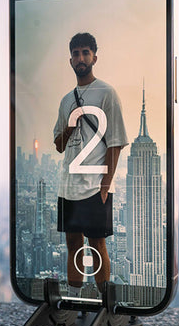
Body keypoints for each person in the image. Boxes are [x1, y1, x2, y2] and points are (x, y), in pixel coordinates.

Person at [54, 32, 128, 295]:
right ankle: (74, 300)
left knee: (97, 244)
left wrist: (106, 185)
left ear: (95, 57)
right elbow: (59, 144)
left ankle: (103, 302)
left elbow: (116, 141)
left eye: (85, 52)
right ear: (70, 60)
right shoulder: (66, 100)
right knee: (72, 243)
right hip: (68, 185)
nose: (81, 58)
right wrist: (69, 127)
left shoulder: (107, 93)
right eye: (76, 53)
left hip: (95, 186)